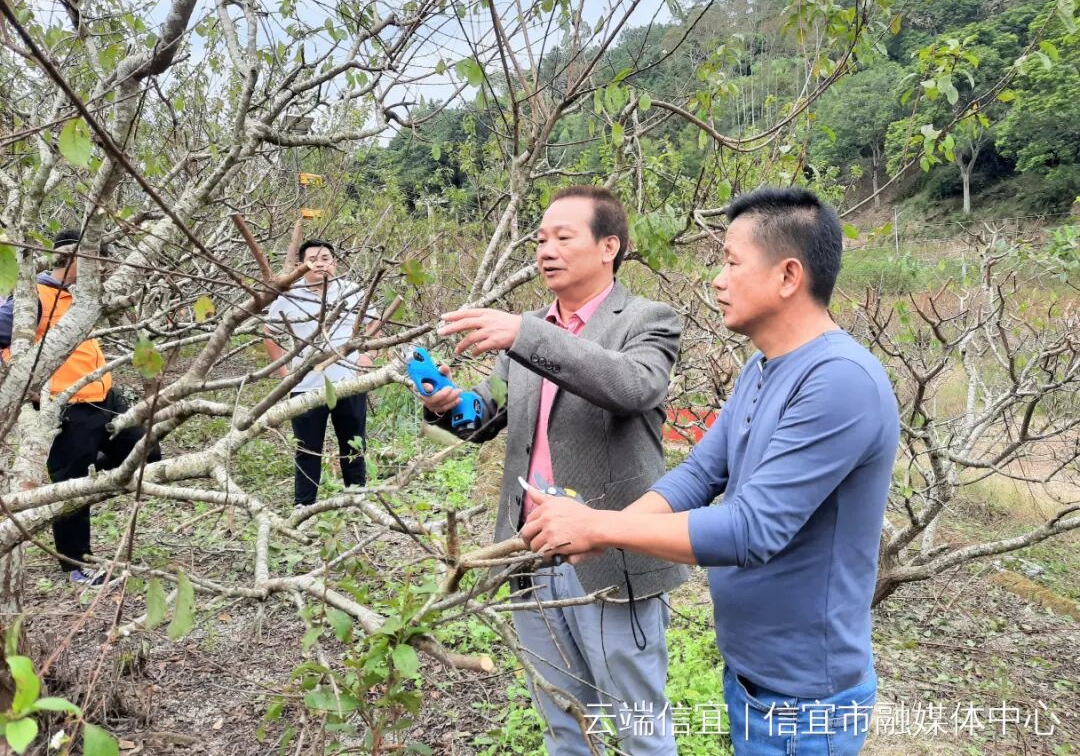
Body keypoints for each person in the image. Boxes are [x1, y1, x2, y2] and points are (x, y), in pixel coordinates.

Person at [521, 187, 901, 756]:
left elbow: (752, 529)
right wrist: (610, 528)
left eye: (730, 261)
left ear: (788, 276)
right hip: (753, 673)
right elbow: (699, 473)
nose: (718, 280)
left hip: (803, 695)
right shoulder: (763, 368)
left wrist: (602, 528)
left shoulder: (839, 380)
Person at [417, 185, 687, 756]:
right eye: (540, 238)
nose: (546, 249)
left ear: (609, 245)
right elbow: (486, 419)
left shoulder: (646, 320)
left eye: (563, 237)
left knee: (638, 721)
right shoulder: (530, 331)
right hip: (530, 549)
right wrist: (448, 402)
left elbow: (632, 387)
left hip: (609, 553)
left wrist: (528, 335)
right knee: (563, 716)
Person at [0, 229, 162, 584]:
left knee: (146, 451)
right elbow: (4, 336)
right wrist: (27, 386)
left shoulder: (81, 296)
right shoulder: (35, 297)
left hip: (104, 398)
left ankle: (92, 473)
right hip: (66, 405)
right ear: (71, 259)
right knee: (70, 488)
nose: (102, 269)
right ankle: (74, 565)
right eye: (95, 261)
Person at [263, 239, 377, 506]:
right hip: (306, 385)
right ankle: (304, 505)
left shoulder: (352, 292)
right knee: (306, 448)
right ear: (302, 265)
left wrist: (367, 356)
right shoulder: (289, 297)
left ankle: (356, 498)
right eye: (313, 259)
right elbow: (269, 334)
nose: (320, 263)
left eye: (326, 258)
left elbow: (375, 321)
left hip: (348, 382)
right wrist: (284, 373)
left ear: (335, 263)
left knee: (353, 443)